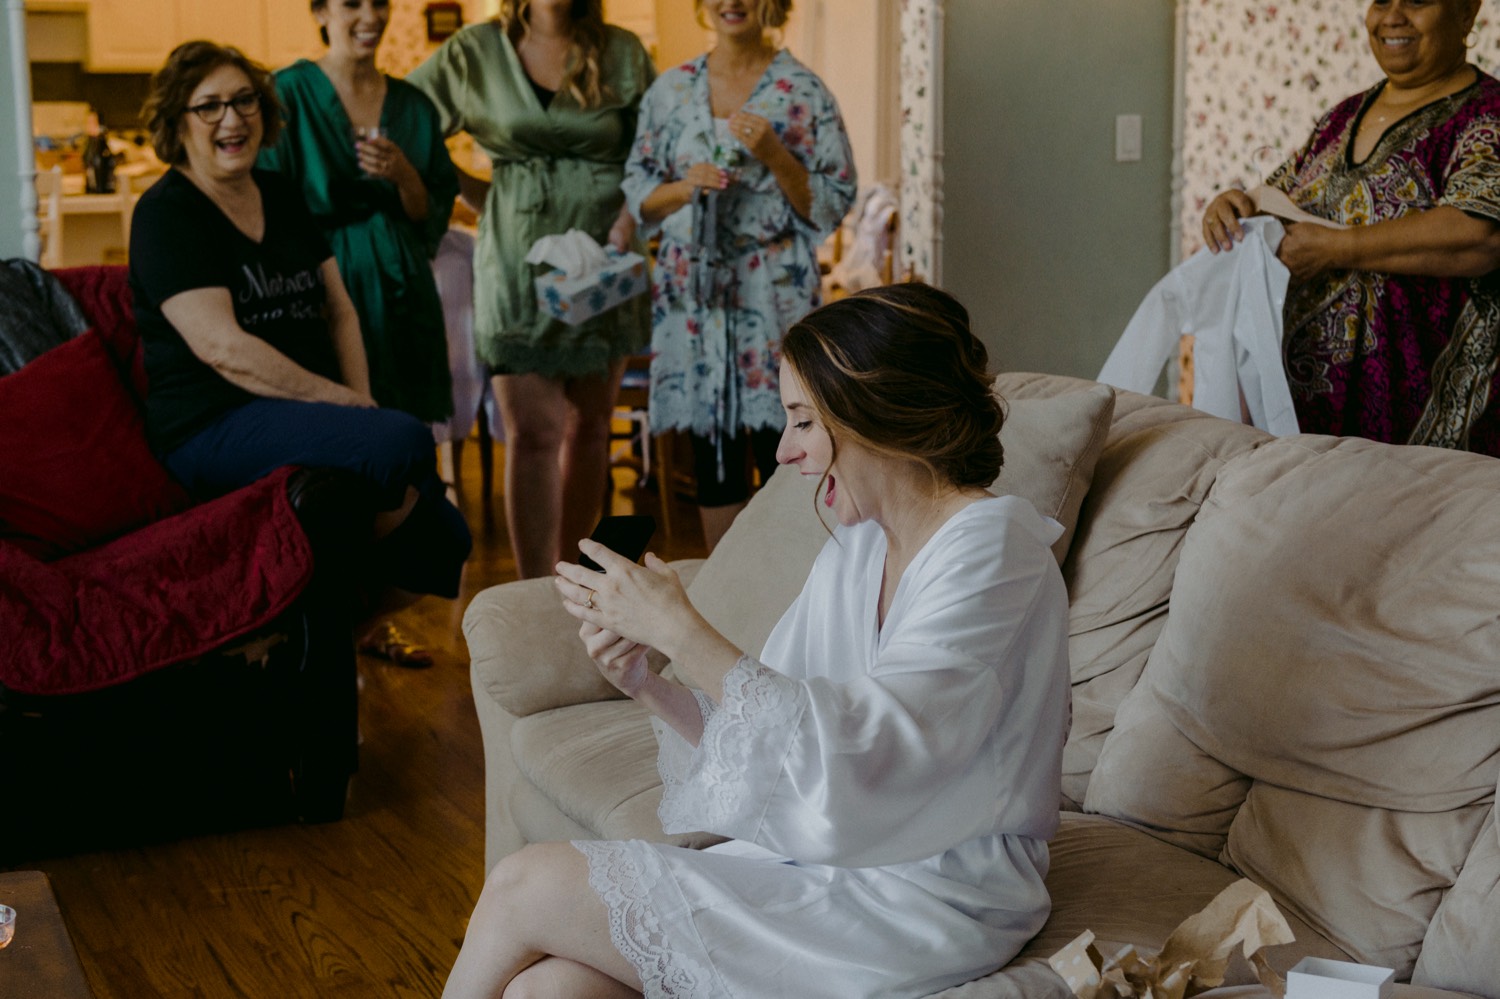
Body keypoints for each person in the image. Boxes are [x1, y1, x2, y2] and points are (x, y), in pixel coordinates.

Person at [442, 283, 1072, 999]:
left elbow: (864, 752)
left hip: (931, 893)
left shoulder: (995, 552)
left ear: (874, 415)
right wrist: (645, 682)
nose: (784, 450)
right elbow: (775, 736)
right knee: (549, 991)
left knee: (524, 883)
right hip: (833, 862)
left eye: (802, 421)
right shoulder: (860, 549)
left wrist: (680, 627)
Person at [129, 41, 471, 623]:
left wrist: (359, 402)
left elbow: (339, 311)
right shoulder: (167, 213)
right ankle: (310, 642)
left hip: (299, 410)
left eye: (245, 101)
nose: (233, 120)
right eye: (209, 106)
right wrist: (344, 405)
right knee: (405, 443)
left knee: (446, 541)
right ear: (177, 123)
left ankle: (336, 639)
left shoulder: (280, 194)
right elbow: (223, 349)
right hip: (211, 423)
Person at [408, 0, 655, 579]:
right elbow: (404, 121)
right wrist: (472, 190)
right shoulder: (473, 53)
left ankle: (574, 583)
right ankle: (536, 592)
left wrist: (628, 219)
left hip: (604, 259)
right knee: (534, 433)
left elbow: (656, 152)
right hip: (517, 264)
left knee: (590, 427)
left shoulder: (623, 52)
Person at [1201, 0, 1500, 454]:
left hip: (1424, 436)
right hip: (1303, 425)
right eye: (1381, 1)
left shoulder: (1487, 116)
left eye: (1417, 1)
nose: (1393, 16)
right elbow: (1279, 199)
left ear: (1465, 12)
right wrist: (1234, 205)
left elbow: (1479, 235)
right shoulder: (1342, 117)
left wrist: (1337, 248)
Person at [623, 0, 857, 551]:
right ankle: (728, 592)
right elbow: (639, 195)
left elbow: (832, 203)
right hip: (695, 294)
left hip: (772, 289)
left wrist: (776, 154)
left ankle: (795, 589)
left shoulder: (804, 92)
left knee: (791, 440)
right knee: (713, 454)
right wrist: (685, 188)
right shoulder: (670, 91)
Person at [258, 0, 460, 427]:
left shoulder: (413, 105)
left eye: (379, 3)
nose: (370, 17)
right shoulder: (287, 95)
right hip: (323, 284)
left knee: (406, 429)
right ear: (319, 12)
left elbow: (429, 213)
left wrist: (405, 176)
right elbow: (265, 204)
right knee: (336, 426)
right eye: (352, 4)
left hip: (402, 285)